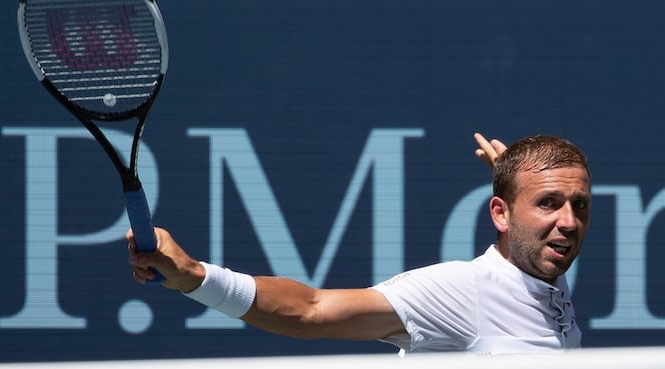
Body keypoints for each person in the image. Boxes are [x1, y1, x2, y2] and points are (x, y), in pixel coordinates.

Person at [127, 132, 591, 356]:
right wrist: (195, 277)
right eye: (549, 203)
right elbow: (309, 311)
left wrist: (517, 185)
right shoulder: (460, 292)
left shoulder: (546, 281)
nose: (569, 222)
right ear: (499, 214)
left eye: (579, 205)